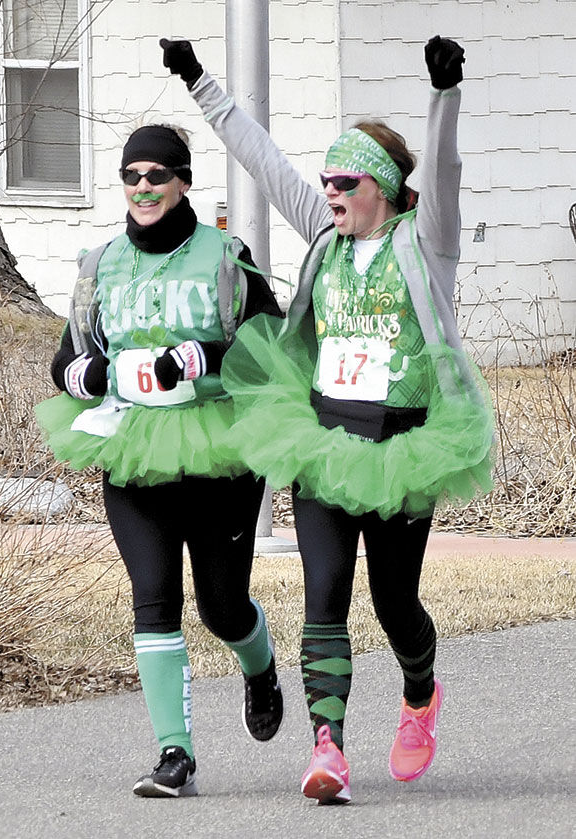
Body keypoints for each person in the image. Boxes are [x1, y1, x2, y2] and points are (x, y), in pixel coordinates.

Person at [160, 36, 495, 805]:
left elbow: (441, 175)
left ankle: (419, 693)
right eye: (327, 184)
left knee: (394, 603)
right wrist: (200, 81)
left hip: (405, 443)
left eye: (344, 183)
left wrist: (445, 96)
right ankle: (328, 746)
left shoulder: (426, 241)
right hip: (321, 435)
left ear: (378, 187)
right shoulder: (324, 235)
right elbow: (264, 160)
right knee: (325, 593)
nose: (330, 194)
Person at [36, 123, 284, 798]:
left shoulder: (225, 255)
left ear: (182, 181)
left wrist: (207, 357)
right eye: (131, 176)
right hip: (134, 445)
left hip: (218, 447)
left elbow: (273, 343)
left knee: (221, 606)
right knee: (154, 599)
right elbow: (67, 359)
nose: (143, 187)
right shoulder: (100, 263)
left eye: (156, 174)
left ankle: (258, 666)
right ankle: (175, 755)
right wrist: (85, 374)